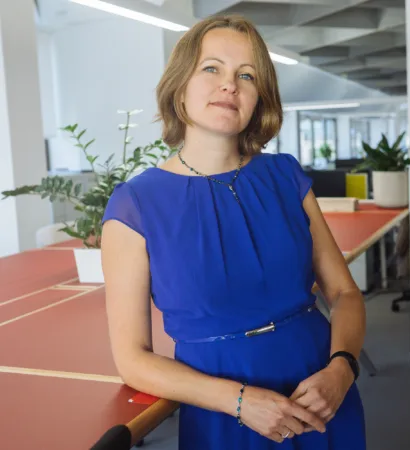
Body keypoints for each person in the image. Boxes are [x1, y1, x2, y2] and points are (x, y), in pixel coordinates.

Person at [101, 14, 366, 450]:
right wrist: (239, 401)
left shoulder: (285, 177)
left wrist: (342, 369)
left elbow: (346, 294)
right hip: (224, 411)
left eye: (247, 75)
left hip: (322, 396)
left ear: (259, 96)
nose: (230, 85)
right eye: (212, 68)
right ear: (180, 82)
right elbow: (133, 360)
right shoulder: (136, 204)